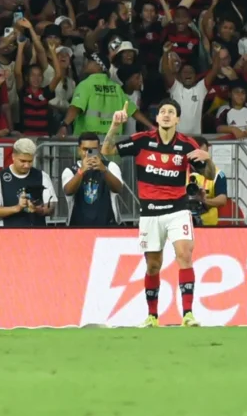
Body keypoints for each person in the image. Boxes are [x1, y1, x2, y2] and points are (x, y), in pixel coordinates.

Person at [102, 98, 217, 328]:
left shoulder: (186, 145)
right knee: (153, 265)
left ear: (177, 119)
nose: (166, 115)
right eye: (162, 111)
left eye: (170, 112)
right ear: (156, 118)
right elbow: (107, 150)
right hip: (150, 213)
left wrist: (208, 160)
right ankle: (152, 316)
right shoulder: (142, 141)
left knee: (184, 255)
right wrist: (115, 125)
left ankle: (188, 315)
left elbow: (211, 175)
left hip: (178, 210)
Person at [0, 138, 57, 227]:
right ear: (13, 157)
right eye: (22, 161)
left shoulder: (42, 176)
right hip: (7, 234)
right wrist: (18, 208)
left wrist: (37, 209)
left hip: (37, 234)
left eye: (30, 161)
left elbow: (51, 208)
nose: (26, 165)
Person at [62, 131, 123, 226]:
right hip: (77, 228)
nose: (88, 153)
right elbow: (68, 191)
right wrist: (81, 171)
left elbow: (118, 188)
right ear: (79, 150)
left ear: (99, 149)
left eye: (92, 150)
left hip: (107, 226)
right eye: (85, 149)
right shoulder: (70, 170)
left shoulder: (111, 166)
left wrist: (104, 170)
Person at [188, 137, 228, 227]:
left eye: (204, 154)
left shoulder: (218, 174)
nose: (201, 159)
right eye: (199, 154)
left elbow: (222, 200)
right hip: (183, 224)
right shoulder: (181, 171)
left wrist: (204, 201)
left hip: (208, 226)